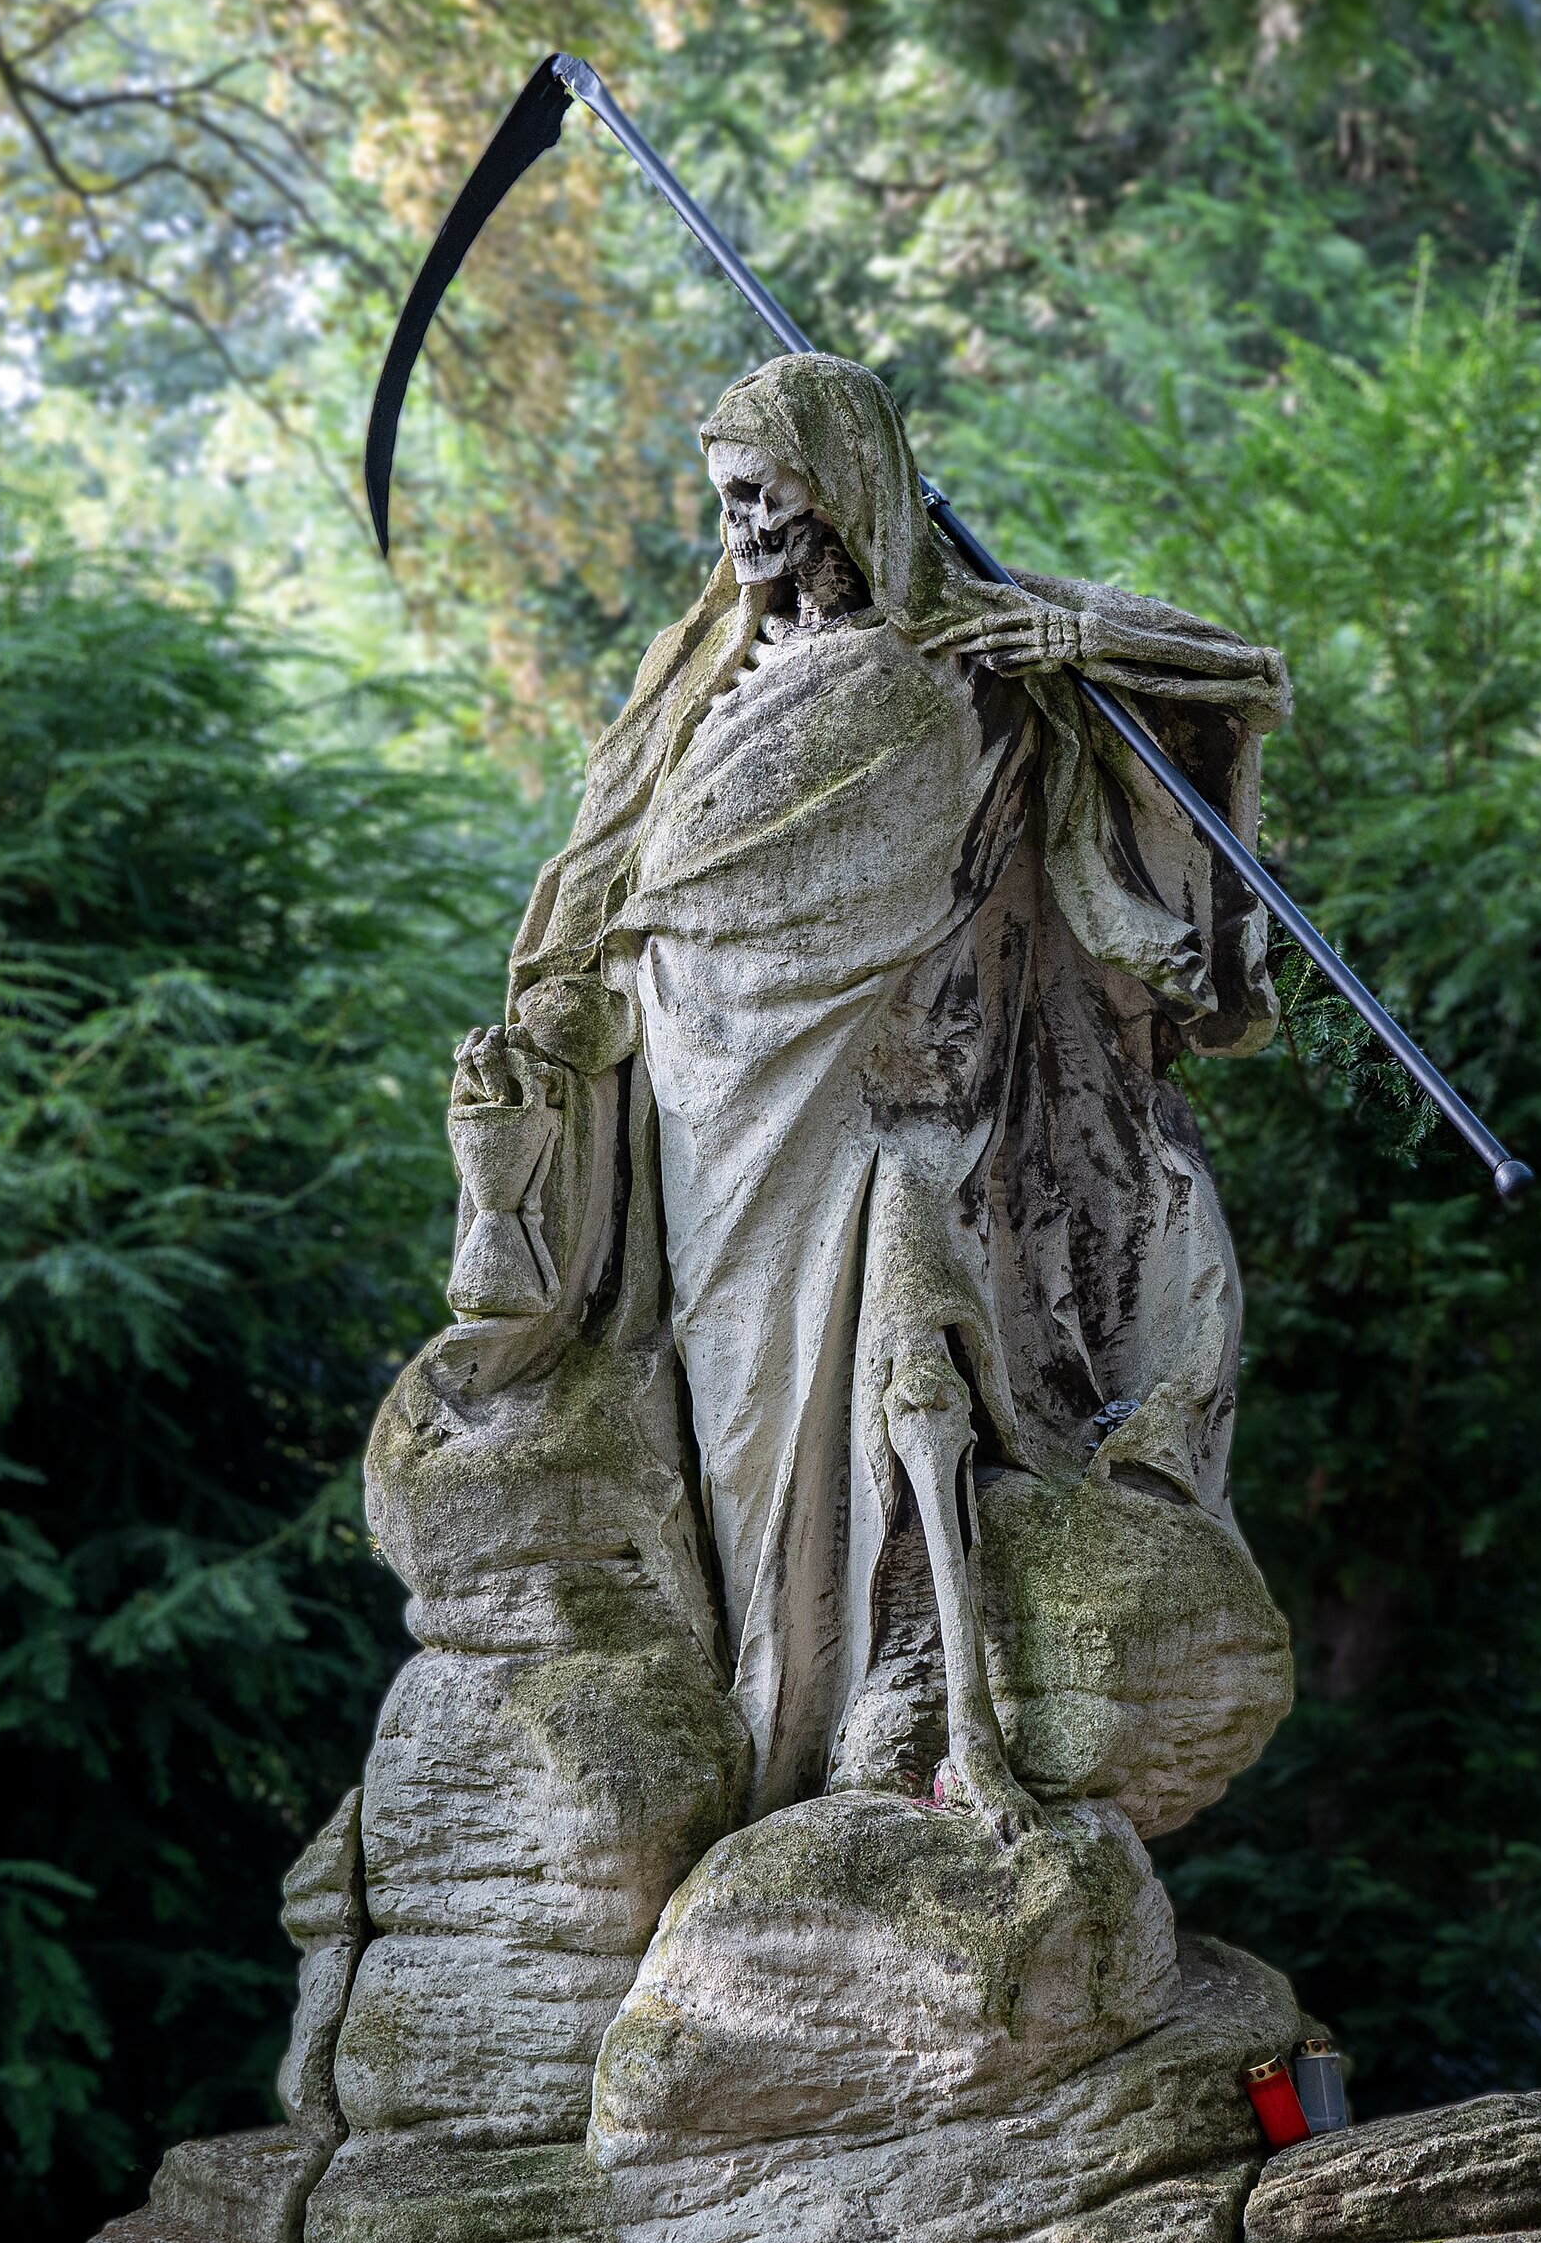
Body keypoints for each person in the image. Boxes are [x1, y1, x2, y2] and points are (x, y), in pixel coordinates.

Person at [478, 351, 1292, 1836]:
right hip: (706, 1098)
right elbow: (615, 877)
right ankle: (770, 1727)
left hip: (874, 1092)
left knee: (886, 1373)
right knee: (737, 1416)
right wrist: (562, 1014)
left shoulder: (962, 654)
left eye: (770, 500)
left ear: (846, 493)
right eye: (727, 503)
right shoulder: (701, 677)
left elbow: (1233, 670)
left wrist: (1072, 633)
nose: (746, 536)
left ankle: (893, 1705)